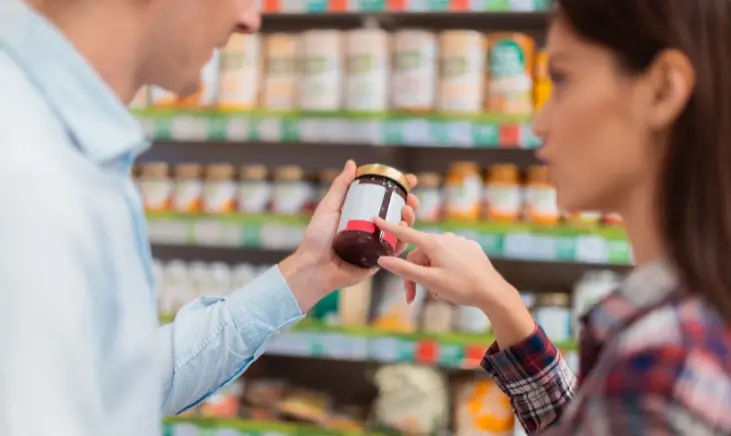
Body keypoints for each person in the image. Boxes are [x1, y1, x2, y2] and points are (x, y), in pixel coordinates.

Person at [0, 0, 419, 434]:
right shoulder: (26, 171)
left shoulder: (60, 142)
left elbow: (117, 385)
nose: (251, 20)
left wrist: (309, 274)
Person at [376, 0, 731, 434]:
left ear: (662, 90)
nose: (539, 122)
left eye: (561, 79)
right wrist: (499, 301)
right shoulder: (683, 329)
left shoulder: (662, 373)